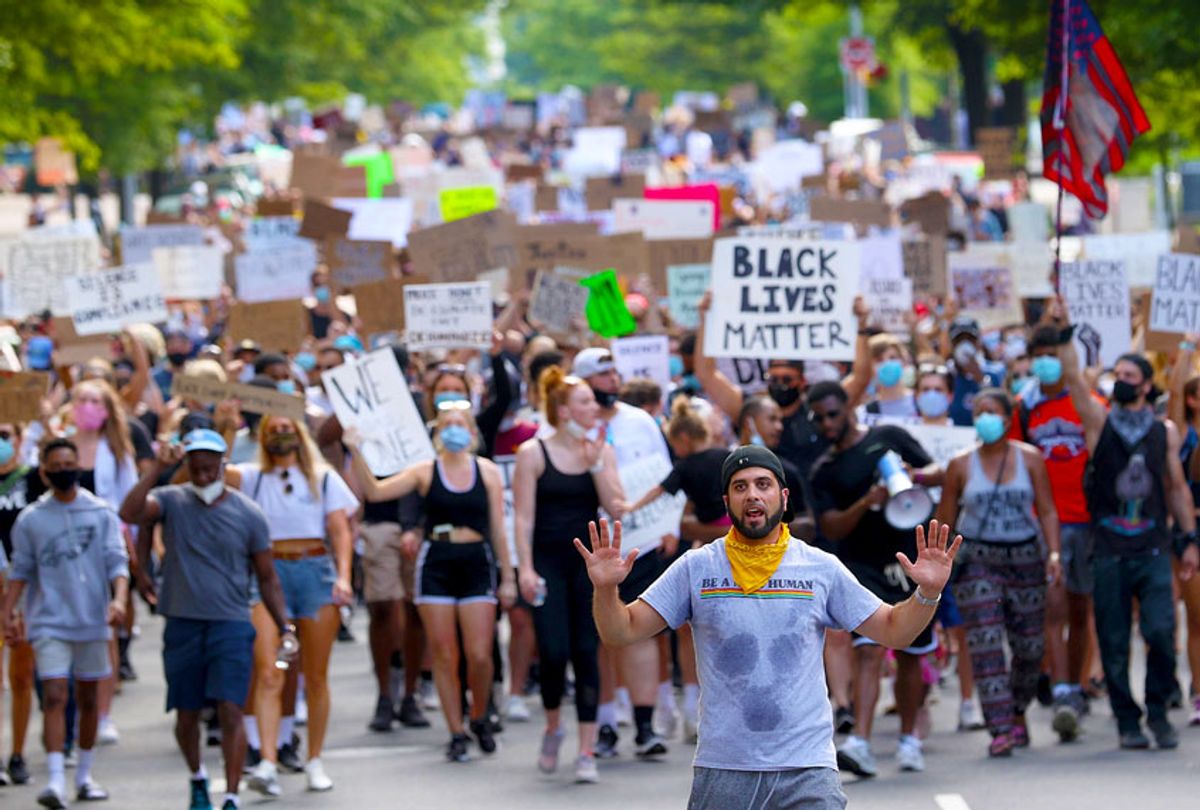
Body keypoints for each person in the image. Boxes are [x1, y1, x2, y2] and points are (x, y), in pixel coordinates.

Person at [578, 445, 962, 810]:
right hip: (725, 768)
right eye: (740, 487)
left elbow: (895, 630)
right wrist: (606, 588)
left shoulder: (819, 568)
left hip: (807, 768)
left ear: (783, 495)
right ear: (726, 503)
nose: (752, 495)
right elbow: (620, 632)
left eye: (763, 484)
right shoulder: (696, 567)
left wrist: (927, 593)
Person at [118, 429, 295, 810]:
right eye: (195, 469)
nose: (202, 477)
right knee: (187, 714)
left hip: (230, 622)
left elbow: (267, 577)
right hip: (183, 621)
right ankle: (198, 778)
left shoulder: (248, 514)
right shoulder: (172, 500)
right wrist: (156, 471)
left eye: (209, 469)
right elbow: (129, 513)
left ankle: (230, 794)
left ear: (221, 466)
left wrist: (285, 626)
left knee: (230, 706)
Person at [347, 404, 516, 762]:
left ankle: (480, 714)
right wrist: (355, 449)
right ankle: (456, 731)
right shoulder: (425, 470)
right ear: (438, 432)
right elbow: (376, 492)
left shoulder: (486, 472)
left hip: (476, 561)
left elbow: (500, 527)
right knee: (443, 653)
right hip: (437, 561)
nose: (454, 429)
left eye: (461, 424)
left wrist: (510, 576)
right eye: (448, 424)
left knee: (480, 654)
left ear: (472, 432)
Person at [1060, 327, 1200, 749]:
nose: (1120, 378)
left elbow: (1176, 487)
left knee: (1160, 631)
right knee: (1115, 638)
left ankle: (1158, 710)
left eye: (1129, 373)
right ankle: (1127, 719)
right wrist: (1067, 335)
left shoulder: (1165, 431)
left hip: (1154, 548)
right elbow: (1075, 385)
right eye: (1115, 372)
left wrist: (1189, 538)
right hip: (1108, 552)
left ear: (1145, 383)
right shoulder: (1100, 423)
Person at [806, 381, 943, 776]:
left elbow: (936, 470)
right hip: (862, 567)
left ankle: (909, 739)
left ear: (848, 408)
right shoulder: (825, 469)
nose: (827, 422)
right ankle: (861, 743)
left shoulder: (888, 438)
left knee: (911, 655)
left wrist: (911, 476)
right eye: (819, 417)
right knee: (867, 650)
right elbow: (829, 526)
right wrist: (868, 502)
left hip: (908, 563)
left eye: (832, 413)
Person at [226, 415, 357, 795]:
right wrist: (228, 426)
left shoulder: (323, 476)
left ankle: (314, 758)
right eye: (274, 430)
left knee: (314, 675)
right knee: (270, 670)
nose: (282, 435)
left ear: (300, 434)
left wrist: (345, 576)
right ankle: (267, 759)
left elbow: (339, 530)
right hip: (269, 574)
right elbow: (218, 469)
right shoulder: (253, 477)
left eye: (288, 428)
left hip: (315, 573)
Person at [1, 438, 129, 808]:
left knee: (88, 698)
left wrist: (119, 600)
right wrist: (8, 612)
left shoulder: (100, 512)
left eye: (68, 464)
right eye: (54, 466)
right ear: (43, 471)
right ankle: (55, 779)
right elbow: (21, 569)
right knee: (55, 694)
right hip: (49, 621)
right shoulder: (32, 519)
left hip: (92, 619)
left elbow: (116, 562)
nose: (62, 472)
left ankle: (84, 775)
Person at [935, 389, 1062, 756]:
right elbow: (944, 519)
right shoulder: (960, 465)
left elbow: (1048, 509)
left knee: (1030, 646)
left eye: (992, 412)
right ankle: (1000, 727)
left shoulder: (1031, 459)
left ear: (1008, 419)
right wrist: (939, 564)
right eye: (979, 412)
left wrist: (1053, 553)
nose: (984, 418)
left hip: (1025, 557)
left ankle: (1018, 707)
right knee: (986, 641)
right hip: (978, 560)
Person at [512, 367, 623, 783]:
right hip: (547, 563)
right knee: (554, 652)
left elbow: (617, 509)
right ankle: (554, 725)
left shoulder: (601, 450)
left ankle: (588, 749)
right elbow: (522, 518)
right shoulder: (533, 453)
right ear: (562, 410)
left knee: (586, 651)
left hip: (588, 568)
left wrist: (596, 467)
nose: (594, 408)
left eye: (594, 402)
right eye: (584, 402)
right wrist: (523, 567)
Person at [572, 347, 671, 760]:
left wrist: (669, 526)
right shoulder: (571, 429)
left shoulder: (640, 421)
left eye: (614, 372)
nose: (611, 380)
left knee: (642, 628)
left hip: (641, 540)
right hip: (592, 546)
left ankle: (645, 724)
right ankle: (608, 722)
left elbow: (664, 475)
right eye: (601, 374)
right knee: (601, 634)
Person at [1010, 324, 1104, 738]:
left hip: (1085, 519)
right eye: (1040, 354)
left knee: (1081, 609)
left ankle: (1078, 685)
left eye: (1054, 353)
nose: (1047, 362)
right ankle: (1063, 686)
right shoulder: (1025, 408)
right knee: (1053, 608)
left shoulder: (1088, 404)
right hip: (1042, 521)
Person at [0, 422, 43, 785]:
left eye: (4, 435)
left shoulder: (32, 479)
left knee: (21, 675)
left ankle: (17, 753)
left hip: (25, 588)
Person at [1166, 333, 1200, 725]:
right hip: (1192, 531)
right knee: (1196, 616)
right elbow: (1174, 395)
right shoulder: (1182, 433)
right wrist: (1186, 351)